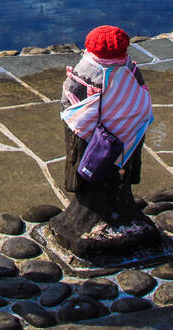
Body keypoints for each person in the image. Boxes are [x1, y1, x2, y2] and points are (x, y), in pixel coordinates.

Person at [50, 25, 159, 261]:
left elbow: (71, 113)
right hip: (129, 137)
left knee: (91, 171)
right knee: (119, 178)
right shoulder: (130, 70)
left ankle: (93, 218)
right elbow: (140, 101)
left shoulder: (86, 72)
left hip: (96, 145)